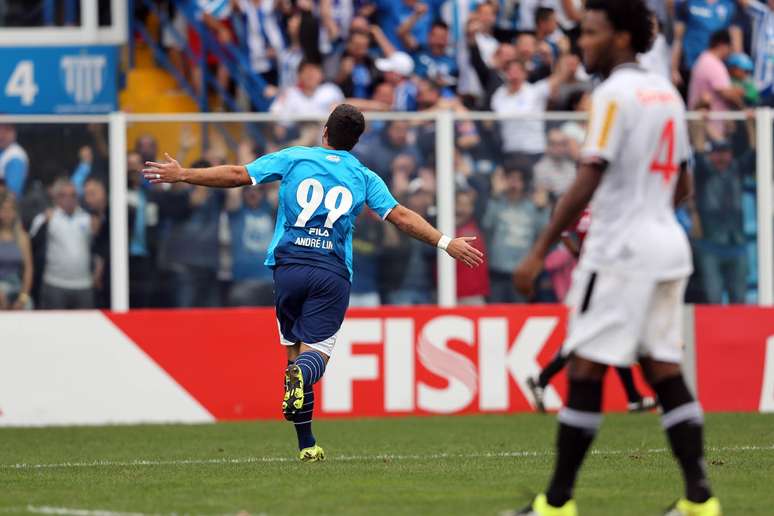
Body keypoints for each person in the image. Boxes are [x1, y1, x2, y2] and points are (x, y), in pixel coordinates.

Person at [143, 103, 483, 462]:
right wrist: (446, 242)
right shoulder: (363, 175)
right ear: (356, 142)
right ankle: (303, 400)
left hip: (288, 267)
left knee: (294, 356)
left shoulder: (294, 158)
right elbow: (399, 215)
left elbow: (237, 173)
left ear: (325, 131)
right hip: (331, 271)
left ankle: (306, 445)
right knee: (315, 355)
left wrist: (183, 175)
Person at [511, 1, 720, 514]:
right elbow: (684, 183)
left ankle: (556, 504)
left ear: (622, 38)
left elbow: (589, 174)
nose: (582, 42)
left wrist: (539, 250)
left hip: (620, 252)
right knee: (664, 370)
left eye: (592, 33)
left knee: (584, 370)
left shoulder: (612, 94)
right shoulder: (667, 93)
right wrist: (646, 208)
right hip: (667, 245)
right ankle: (699, 501)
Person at [30, 179, 96, 310]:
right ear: (56, 198)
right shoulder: (46, 218)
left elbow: (97, 245)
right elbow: (32, 244)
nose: (69, 199)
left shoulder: (87, 218)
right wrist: (45, 223)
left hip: (83, 284)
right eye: (64, 195)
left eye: (73, 195)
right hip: (55, 283)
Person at [0, 192, 33, 310]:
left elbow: (29, 269)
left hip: (17, 287)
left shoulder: (23, 238)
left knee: (27, 304)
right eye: (3, 209)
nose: (7, 213)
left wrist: (23, 297)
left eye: (11, 210)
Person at [0, 123, 29, 197]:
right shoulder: (2, 151)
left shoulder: (15, 156)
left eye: (7, 130)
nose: (2, 135)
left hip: (6, 206)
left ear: (14, 133)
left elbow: (12, 193)